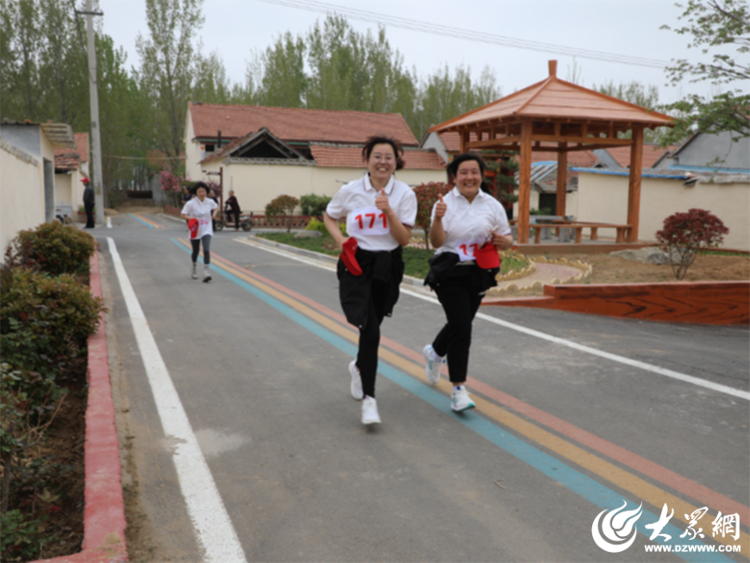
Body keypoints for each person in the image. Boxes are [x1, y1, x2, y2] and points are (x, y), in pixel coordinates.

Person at [324, 135, 417, 425]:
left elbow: (403, 239)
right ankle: (370, 400)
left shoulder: (404, 194)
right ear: (367, 159)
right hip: (357, 263)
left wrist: (388, 210)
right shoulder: (351, 190)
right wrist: (340, 239)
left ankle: (359, 367)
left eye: (389, 157)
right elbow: (329, 216)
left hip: (387, 264)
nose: (383, 162)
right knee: (370, 327)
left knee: (372, 325)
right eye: (377, 156)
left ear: (396, 162)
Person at [422, 153, 514, 412]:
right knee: (462, 327)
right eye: (463, 172)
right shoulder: (444, 203)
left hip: (480, 272)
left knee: (459, 322)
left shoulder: (492, 205)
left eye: (474, 172)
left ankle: (434, 353)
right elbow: (438, 243)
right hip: (450, 272)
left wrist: (502, 241)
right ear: (454, 177)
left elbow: (507, 239)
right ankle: (458, 389)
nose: (469, 177)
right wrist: (438, 218)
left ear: (482, 176)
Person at [181, 182, 219, 282]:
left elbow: (216, 207)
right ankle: (193, 267)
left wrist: (214, 214)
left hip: (207, 229)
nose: (202, 193)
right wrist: (192, 218)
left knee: (206, 250)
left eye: (203, 191)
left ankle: (206, 272)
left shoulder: (210, 201)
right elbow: (183, 214)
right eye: (199, 191)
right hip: (195, 230)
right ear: (196, 193)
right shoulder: (191, 203)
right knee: (196, 251)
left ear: (206, 192)